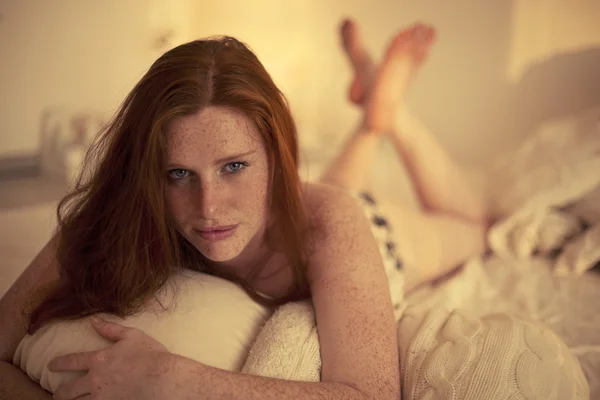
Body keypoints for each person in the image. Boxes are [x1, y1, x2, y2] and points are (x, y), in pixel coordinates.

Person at [0, 19, 487, 399]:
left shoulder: (332, 221)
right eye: (178, 174)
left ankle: (390, 116)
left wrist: (181, 384)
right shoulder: (119, 212)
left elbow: (372, 395)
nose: (208, 208)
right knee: (334, 186)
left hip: (382, 237)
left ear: (277, 157)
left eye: (233, 166)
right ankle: (373, 117)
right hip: (300, 209)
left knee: (474, 229)